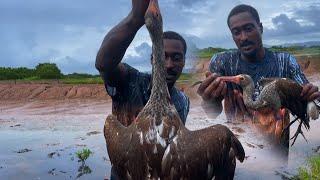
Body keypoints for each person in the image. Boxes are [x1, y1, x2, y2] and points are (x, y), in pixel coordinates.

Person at [197, 4, 320, 150]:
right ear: (232, 36)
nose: (243, 37)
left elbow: (308, 96)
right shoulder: (221, 62)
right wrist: (208, 101)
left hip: (277, 147)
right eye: (236, 32)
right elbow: (212, 113)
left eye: (249, 29)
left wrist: (311, 94)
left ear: (260, 28)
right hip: (239, 146)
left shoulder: (285, 61)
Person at [95, 0, 189, 127]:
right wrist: (135, 19)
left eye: (176, 58)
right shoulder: (130, 81)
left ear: (184, 62)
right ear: (152, 59)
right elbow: (104, 65)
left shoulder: (183, 101)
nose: (169, 65)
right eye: (162, 57)